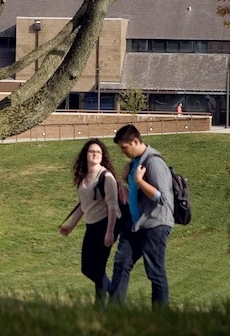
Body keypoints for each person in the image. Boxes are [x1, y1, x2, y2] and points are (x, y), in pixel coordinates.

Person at [108, 124, 174, 306]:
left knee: (154, 271)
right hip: (136, 223)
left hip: (155, 224)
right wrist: (127, 179)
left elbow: (162, 198)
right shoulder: (135, 162)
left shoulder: (154, 162)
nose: (123, 152)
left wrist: (138, 180)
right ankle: (114, 309)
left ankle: (160, 317)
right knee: (121, 263)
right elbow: (137, 193)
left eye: (124, 148)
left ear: (135, 141)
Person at [59, 138, 119, 306]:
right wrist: (70, 226)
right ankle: (114, 289)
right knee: (86, 268)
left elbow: (113, 206)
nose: (95, 154)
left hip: (105, 224)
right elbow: (82, 206)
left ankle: (100, 307)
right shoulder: (83, 179)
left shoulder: (106, 176)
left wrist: (110, 231)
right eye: (91, 151)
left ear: (102, 156)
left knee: (98, 270)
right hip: (91, 226)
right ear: (85, 155)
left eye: (98, 152)